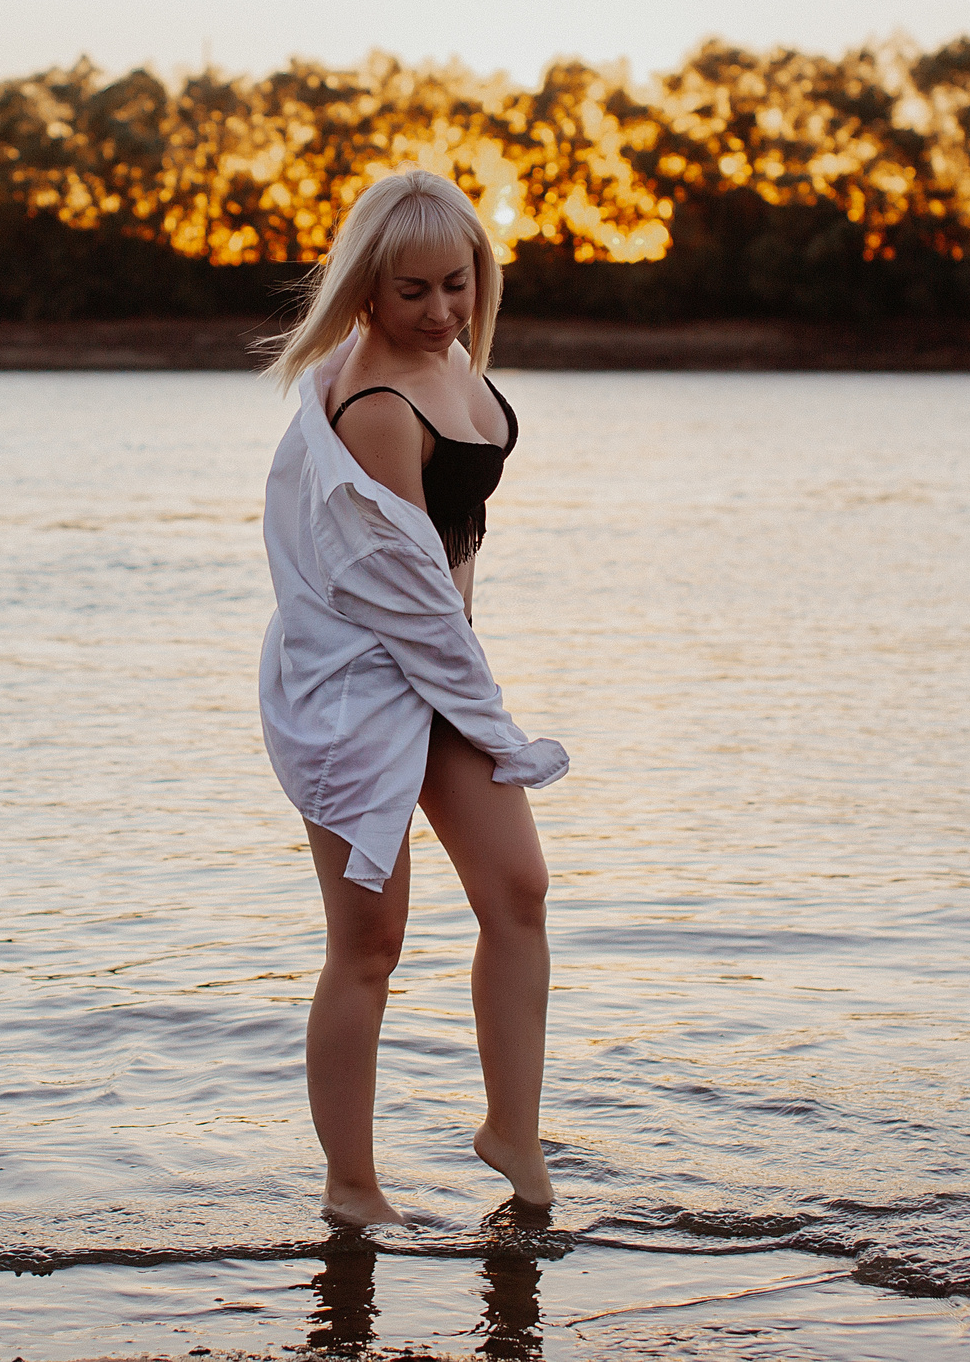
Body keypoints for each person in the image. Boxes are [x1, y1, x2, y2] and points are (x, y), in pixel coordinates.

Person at [257, 167, 570, 1227]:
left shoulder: (449, 365)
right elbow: (406, 598)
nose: (442, 311)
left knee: (518, 889)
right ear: (365, 295)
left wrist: (479, 699)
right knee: (370, 945)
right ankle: (353, 1189)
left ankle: (510, 1133)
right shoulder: (378, 405)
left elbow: (447, 581)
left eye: (458, 284)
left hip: (437, 665)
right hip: (364, 687)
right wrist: (499, 723)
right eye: (413, 292)